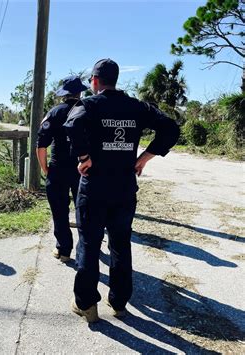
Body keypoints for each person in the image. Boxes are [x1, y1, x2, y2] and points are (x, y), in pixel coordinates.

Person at [64, 58, 179, 322]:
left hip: (93, 188)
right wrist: (145, 157)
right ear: (115, 80)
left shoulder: (89, 104)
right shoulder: (136, 107)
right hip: (124, 188)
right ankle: (118, 301)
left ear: (94, 81)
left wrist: (84, 158)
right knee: (120, 243)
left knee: (89, 245)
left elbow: (72, 125)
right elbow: (170, 128)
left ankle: (86, 305)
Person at [36, 76, 86, 262]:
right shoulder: (88, 110)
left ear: (64, 94)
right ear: (80, 92)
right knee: (85, 210)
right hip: (84, 169)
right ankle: (88, 248)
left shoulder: (55, 112)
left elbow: (41, 145)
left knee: (59, 210)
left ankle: (64, 250)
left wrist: (45, 168)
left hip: (58, 169)